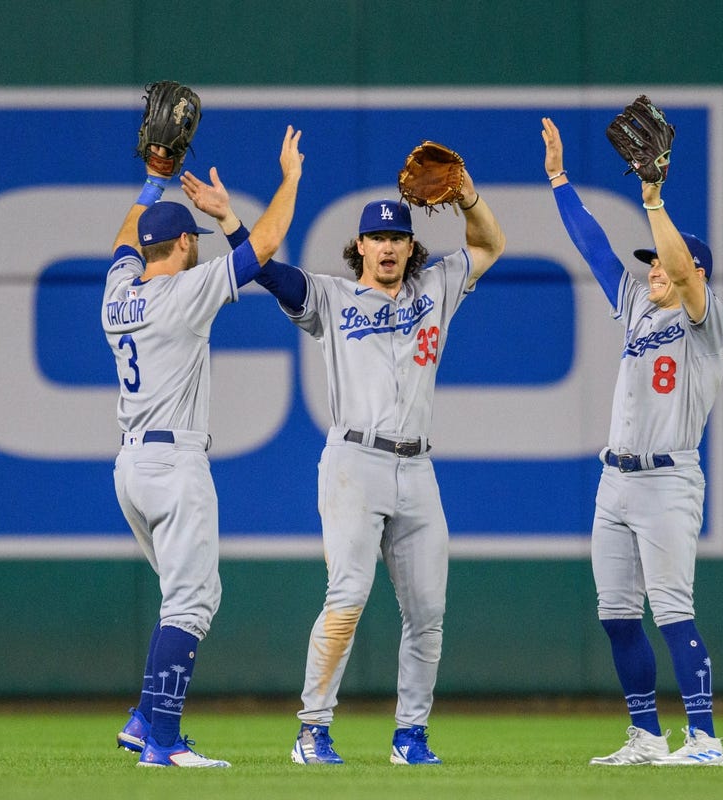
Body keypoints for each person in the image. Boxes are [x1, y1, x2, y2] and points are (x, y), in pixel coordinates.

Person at [183, 157, 505, 766]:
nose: (387, 247)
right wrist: (229, 220)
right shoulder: (332, 296)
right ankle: (312, 730)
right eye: (377, 238)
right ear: (359, 245)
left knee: (429, 613)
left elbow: (491, 243)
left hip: (418, 470)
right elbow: (271, 275)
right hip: (354, 462)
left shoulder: (435, 289)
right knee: (348, 596)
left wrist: (467, 196)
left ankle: (410, 736)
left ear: (412, 248)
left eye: (398, 238)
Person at [106, 127, 304, 768]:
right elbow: (267, 245)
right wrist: (290, 178)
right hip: (172, 463)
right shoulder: (183, 293)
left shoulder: (119, 295)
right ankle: (162, 743)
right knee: (191, 601)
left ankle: (144, 720)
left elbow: (120, 244)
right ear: (187, 242)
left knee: (186, 598)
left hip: (131, 468)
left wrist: (154, 180)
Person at [540, 116, 723, 766]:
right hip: (615, 480)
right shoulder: (640, 305)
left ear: (694, 272)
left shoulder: (705, 323)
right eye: (650, 263)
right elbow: (593, 246)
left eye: (664, 264)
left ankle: (704, 739)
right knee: (617, 614)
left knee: (673, 610)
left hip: (668, 480)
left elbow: (679, 264)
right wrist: (561, 182)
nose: (653, 270)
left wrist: (653, 199)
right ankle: (647, 736)